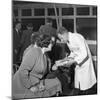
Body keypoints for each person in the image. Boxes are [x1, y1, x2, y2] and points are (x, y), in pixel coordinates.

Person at [12, 32, 61, 99]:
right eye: (51, 42)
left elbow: (41, 74)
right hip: (22, 84)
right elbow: (22, 71)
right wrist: (30, 86)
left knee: (57, 82)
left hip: (35, 81)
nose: (52, 44)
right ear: (45, 43)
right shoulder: (34, 52)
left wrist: (40, 84)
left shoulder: (44, 54)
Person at [52, 27, 96, 95]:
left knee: (86, 85)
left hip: (85, 64)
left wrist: (72, 61)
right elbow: (73, 52)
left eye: (61, 38)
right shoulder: (68, 40)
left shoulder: (77, 37)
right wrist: (66, 59)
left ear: (64, 34)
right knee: (79, 85)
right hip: (78, 64)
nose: (61, 40)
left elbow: (84, 54)